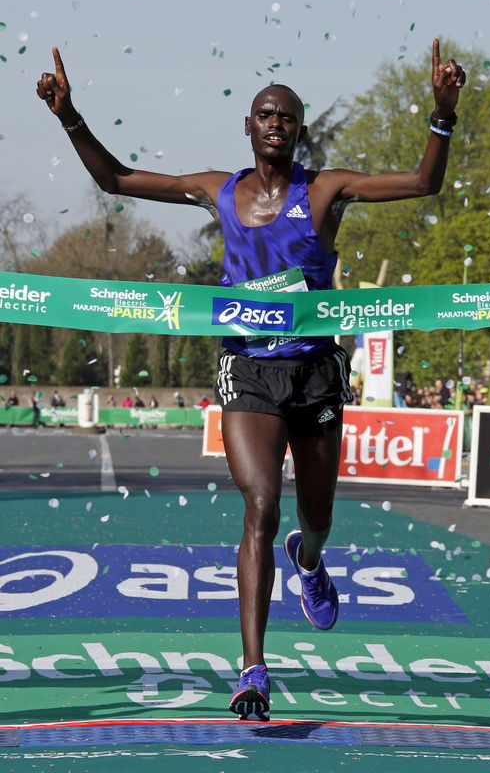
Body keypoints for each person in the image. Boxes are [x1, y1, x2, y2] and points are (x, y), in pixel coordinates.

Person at [37, 40, 465, 721]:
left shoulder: (324, 190)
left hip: (316, 374)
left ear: (299, 131)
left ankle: (312, 560)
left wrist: (441, 116)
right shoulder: (218, 190)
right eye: (264, 114)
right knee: (259, 506)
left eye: (286, 117)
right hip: (249, 372)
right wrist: (69, 115)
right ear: (248, 126)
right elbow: (117, 180)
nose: (274, 123)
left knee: (314, 520)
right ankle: (253, 670)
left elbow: (422, 183)